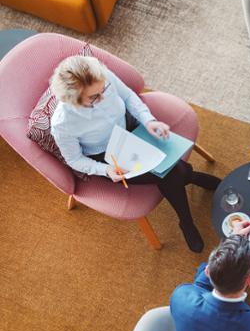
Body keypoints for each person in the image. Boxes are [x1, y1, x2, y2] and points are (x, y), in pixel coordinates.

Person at [49, 55, 220, 253]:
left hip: (130, 128)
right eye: (94, 98)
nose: (103, 97)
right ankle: (187, 214)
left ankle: (190, 183)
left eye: (103, 89)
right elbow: (74, 159)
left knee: (170, 169)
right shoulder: (63, 124)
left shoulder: (101, 78)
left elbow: (129, 97)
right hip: (107, 155)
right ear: (73, 101)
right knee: (170, 172)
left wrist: (148, 121)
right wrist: (106, 170)